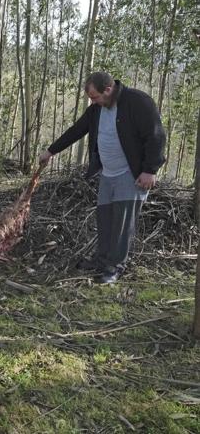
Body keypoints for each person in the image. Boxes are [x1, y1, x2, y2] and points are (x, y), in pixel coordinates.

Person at [39, 72, 166, 284]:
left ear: (108, 89)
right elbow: (76, 130)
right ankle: (102, 259)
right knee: (105, 219)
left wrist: (150, 170)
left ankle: (115, 266)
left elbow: (156, 136)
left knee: (122, 224)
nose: (93, 102)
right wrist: (51, 151)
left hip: (131, 173)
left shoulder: (137, 102)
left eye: (95, 97)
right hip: (108, 173)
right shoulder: (97, 110)